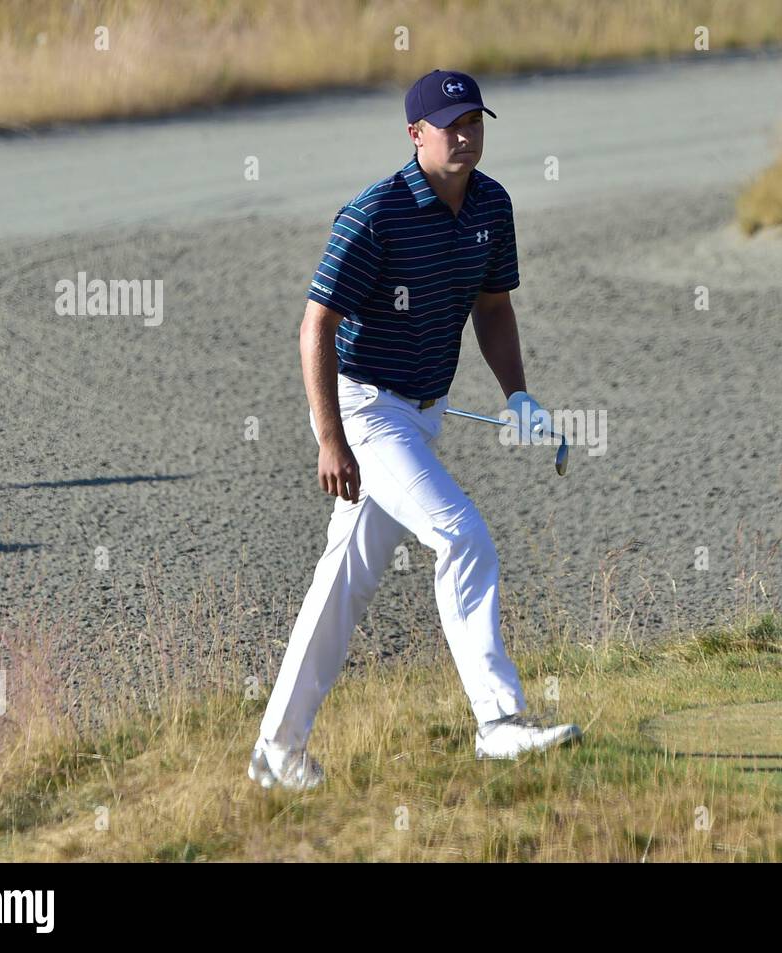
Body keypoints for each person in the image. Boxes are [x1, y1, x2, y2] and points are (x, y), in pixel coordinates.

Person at [249, 69, 582, 791]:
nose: (465, 135)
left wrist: (518, 394)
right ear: (416, 134)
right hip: (366, 409)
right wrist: (332, 439)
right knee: (461, 533)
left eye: (475, 122)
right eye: (450, 124)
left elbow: (492, 307)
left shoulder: (492, 203)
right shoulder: (375, 214)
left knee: (340, 586)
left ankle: (277, 751)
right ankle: (499, 722)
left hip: (421, 413)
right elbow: (316, 327)